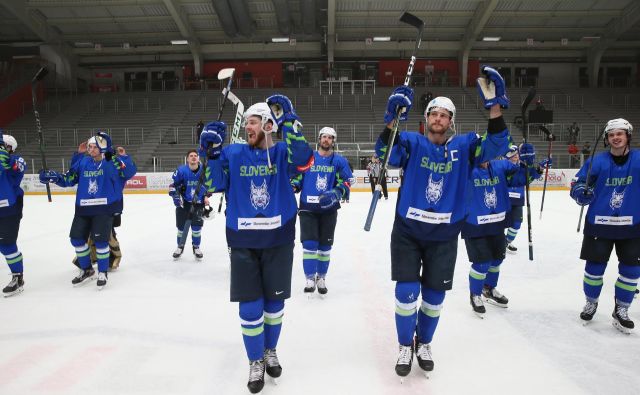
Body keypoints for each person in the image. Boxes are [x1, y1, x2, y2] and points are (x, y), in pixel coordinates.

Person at [376, 65, 512, 377]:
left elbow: (497, 146)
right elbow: (387, 155)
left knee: (434, 296)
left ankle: (424, 342)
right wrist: (391, 121)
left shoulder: (465, 146)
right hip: (408, 231)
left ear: (451, 122)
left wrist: (494, 107)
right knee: (406, 291)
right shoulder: (411, 142)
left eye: (444, 115)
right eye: (433, 114)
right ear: (426, 119)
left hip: (445, 233)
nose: (438, 119)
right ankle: (403, 345)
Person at [199, 95, 313, 393]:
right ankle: (255, 361)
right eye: (246, 121)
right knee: (250, 307)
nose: (247, 126)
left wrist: (289, 120)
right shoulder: (233, 153)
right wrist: (209, 152)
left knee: (274, 305)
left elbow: (304, 161)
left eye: (252, 121)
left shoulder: (283, 152)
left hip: (278, 238)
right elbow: (213, 184)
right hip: (243, 240)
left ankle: (269, 350)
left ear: (267, 124)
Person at [39, 132, 136, 289]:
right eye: (89, 147)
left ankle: (102, 272)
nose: (90, 149)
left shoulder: (112, 162)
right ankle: (87, 269)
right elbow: (69, 179)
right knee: (76, 240)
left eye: (93, 147)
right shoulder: (83, 162)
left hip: (104, 209)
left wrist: (124, 157)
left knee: (101, 241)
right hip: (83, 209)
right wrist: (53, 177)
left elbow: (129, 172)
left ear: (102, 148)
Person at [570, 118, 638, 334]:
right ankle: (591, 302)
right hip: (599, 225)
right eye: (611, 135)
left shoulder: (639, 159)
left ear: (628, 136)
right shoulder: (596, 162)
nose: (616, 138)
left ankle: (622, 310)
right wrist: (580, 192)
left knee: (631, 272)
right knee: (593, 271)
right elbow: (578, 183)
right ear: (607, 139)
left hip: (632, 226)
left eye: (620, 133)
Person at [464, 144, 549, 317]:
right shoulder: (466, 170)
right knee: (482, 263)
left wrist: (533, 166)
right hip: (475, 224)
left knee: (496, 260)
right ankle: (475, 294)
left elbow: (520, 178)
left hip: (497, 222)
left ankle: (489, 289)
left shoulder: (500, 166)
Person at [290, 126, 353, 296]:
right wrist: (294, 185)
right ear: (319, 139)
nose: (326, 140)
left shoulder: (339, 161)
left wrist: (337, 192)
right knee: (310, 244)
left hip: (328, 209)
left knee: (325, 246)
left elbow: (348, 181)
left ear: (334, 141)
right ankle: (310, 278)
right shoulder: (309, 158)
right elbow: (298, 177)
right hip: (307, 208)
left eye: (330, 137)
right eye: (324, 137)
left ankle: (321, 277)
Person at [169, 149, 210, 260]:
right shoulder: (181, 170)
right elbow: (173, 185)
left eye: (195, 155)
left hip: (198, 203)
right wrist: (175, 196)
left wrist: (206, 196)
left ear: (198, 158)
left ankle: (196, 247)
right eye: (191, 156)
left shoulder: (204, 170)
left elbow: (209, 186)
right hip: (184, 203)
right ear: (187, 159)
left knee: (196, 228)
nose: (193, 157)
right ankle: (180, 246)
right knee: (181, 228)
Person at [0, 132, 26, 296]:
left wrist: (6, 159)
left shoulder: (16, 159)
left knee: (7, 244)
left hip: (9, 208)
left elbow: (17, 167)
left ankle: (18, 277)